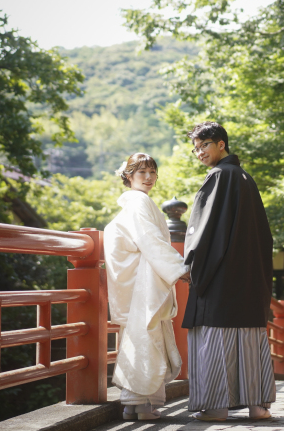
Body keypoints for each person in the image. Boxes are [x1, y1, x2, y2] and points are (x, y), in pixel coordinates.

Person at [182, 122, 276, 421]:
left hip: (222, 278)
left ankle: (215, 407)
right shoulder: (244, 177)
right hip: (249, 278)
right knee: (249, 340)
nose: (200, 153)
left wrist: (191, 266)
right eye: (196, 148)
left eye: (204, 145)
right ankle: (258, 406)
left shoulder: (219, 176)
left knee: (215, 337)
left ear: (221, 143)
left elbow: (205, 229)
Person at [104, 152, 190, 420]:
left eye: (153, 172)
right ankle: (140, 406)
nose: (150, 177)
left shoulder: (137, 202)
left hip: (141, 277)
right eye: (142, 172)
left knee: (140, 336)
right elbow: (150, 240)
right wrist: (179, 269)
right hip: (143, 280)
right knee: (145, 335)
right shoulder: (139, 202)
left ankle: (136, 404)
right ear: (128, 176)